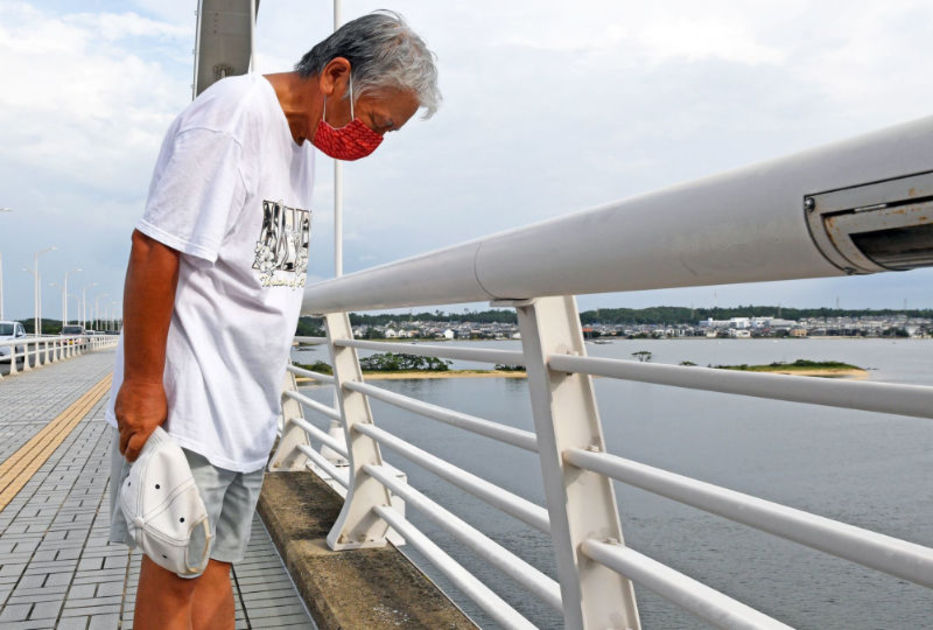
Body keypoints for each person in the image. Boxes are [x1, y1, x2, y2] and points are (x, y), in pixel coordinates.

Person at [105, 11, 440, 630]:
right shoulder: (233, 114)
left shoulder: (301, 145)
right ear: (337, 76)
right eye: (377, 122)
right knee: (176, 587)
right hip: (192, 406)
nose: (373, 141)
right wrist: (144, 385)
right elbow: (156, 247)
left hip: (246, 414)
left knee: (215, 576)